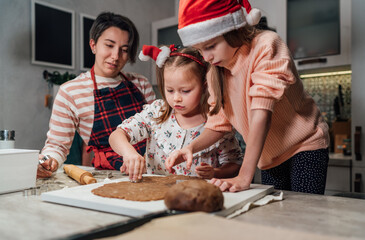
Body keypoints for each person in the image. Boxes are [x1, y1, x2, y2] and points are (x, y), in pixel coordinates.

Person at [166, 0, 330, 194]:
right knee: (277, 216)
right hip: (268, 157)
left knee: (303, 213)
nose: (207, 57)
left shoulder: (266, 45)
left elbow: (261, 114)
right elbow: (217, 124)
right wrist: (191, 148)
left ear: (232, 30)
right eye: (200, 50)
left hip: (304, 146)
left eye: (210, 46)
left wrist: (244, 175)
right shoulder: (215, 72)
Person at [37, 12, 156, 178]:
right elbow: (57, 146)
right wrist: (47, 162)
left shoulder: (141, 83)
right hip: (108, 177)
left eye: (124, 50)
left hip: (151, 172)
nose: (115, 56)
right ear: (93, 45)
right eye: (109, 45)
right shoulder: (70, 92)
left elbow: (159, 130)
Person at [109, 45, 243, 182]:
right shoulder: (157, 113)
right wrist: (129, 153)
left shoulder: (216, 120)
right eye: (170, 90)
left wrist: (215, 172)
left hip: (197, 197)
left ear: (204, 86)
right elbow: (117, 135)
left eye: (185, 91)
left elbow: (235, 163)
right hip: (155, 195)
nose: (176, 98)